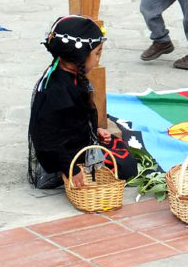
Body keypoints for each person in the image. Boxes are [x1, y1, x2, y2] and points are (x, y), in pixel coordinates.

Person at [28, 15, 137, 190]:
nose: (98, 59)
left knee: (123, 157)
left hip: (70, 144)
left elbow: (73, 122)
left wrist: (95, 130)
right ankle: (54, 173)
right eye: (97, 53)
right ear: (79, 55)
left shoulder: (66, 76)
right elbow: (49, 138)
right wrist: (70, 168)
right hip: (60, 154)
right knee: (126, 168)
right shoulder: (59, 92)